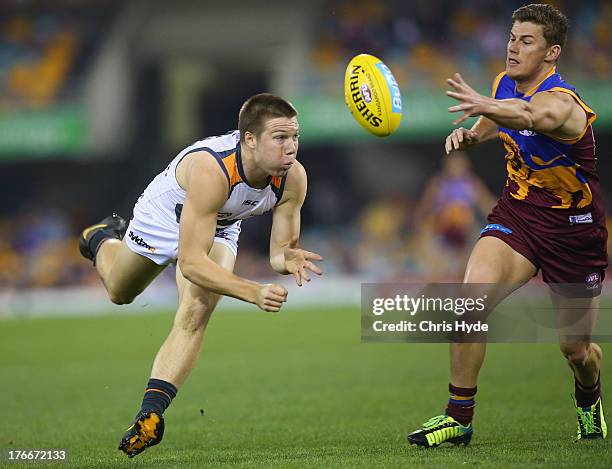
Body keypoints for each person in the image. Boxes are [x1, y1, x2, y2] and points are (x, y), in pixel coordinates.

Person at [78, 93, 323, 458]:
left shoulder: (293, 179)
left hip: (219, 224)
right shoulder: (214, 170)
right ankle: (100, 238)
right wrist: (253, 292)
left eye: (295, 137)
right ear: (250, 140)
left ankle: (150, 414)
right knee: (119, 291)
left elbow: (278, 252)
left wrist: (286, 257)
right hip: (165, 215)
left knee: (197, 308)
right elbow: (191, 262)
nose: (291, 148)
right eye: (280, 138)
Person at [408, 4, 607, 447]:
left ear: (552, 52)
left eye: (527, 41)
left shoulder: (564, 103)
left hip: (572, 231)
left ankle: (589, 397)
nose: (513, 48)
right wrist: (472, 132)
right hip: (518, 215)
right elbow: (495, 122)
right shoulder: (503, 83)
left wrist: (488, 104)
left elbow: (534, 118)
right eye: (512, 38)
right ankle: (457, 417)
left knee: (576, 351)